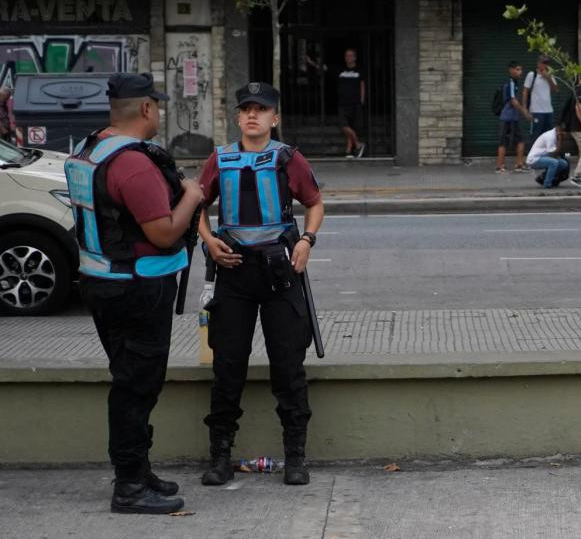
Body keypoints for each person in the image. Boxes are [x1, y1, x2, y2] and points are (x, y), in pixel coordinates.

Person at [64, 73, 202, 514]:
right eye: (157, 106)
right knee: (136, 386)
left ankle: (139, 471)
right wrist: (193, 196)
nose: (159, 113)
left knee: (131, 380)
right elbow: (163, 233)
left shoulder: (91, 149)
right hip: (136, 289)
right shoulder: (133, 163)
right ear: (145, 109)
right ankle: (128, 485)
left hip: (103, 282)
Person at [197, 81, 325, 487]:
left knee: (288, 366)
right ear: (237, 117)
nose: (253, 115)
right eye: (246, 109)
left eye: (261, 109)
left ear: (275, 118)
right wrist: (209, 241)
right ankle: (219, 455)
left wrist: (306, 241)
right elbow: (196, 206)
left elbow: (315, 204)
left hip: (279, 274)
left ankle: (295, 457)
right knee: (227, 366)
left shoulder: (288, 159)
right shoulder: (220, 159)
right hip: (233, 273)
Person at [496, 61, 529, 173]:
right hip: (507, 117)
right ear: (511, 70)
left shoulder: (514, 83)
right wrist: (524, 112)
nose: (520, 72)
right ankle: (500, 167)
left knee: (520, 140)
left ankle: (519, 165)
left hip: (512, 118)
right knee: (504, 141)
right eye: (518, 69)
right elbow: (513, 101)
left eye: (521, 69)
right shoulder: (510, 82)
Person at [523, 56, 558, 151]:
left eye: (546, 63)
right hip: (536, 111)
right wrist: (525, 109)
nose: (545, 65)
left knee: (550, 136)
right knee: (535, 136)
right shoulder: (532, 75)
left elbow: (556, 89)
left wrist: (549, 78)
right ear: (538, 63)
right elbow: (525, 91)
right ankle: (532, 159)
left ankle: (547, 157)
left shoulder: (550, 75)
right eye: (543, 63)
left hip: (549, 111)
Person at [337, 47, 366, 159]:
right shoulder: (341, 70)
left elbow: (362, 85)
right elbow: (324, 68)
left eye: (350, 55)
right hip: (343, 103)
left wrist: (362, 100)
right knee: (344, 126)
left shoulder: (360, 70)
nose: (348, 58)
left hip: (355, 103)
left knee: (353, 126)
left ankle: (349, 150)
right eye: (346, 56)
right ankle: (358, 144)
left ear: (355, 57)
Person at [526, 123, 571, 189]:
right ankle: (547, 184)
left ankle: (544, 177)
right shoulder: (550, 136)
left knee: (563, 163)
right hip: (534, 159)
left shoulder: (555, 136)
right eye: (563, 132)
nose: (564, 134)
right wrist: (560, 140)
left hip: (543, 157)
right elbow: (554, 153)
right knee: (554, 162)